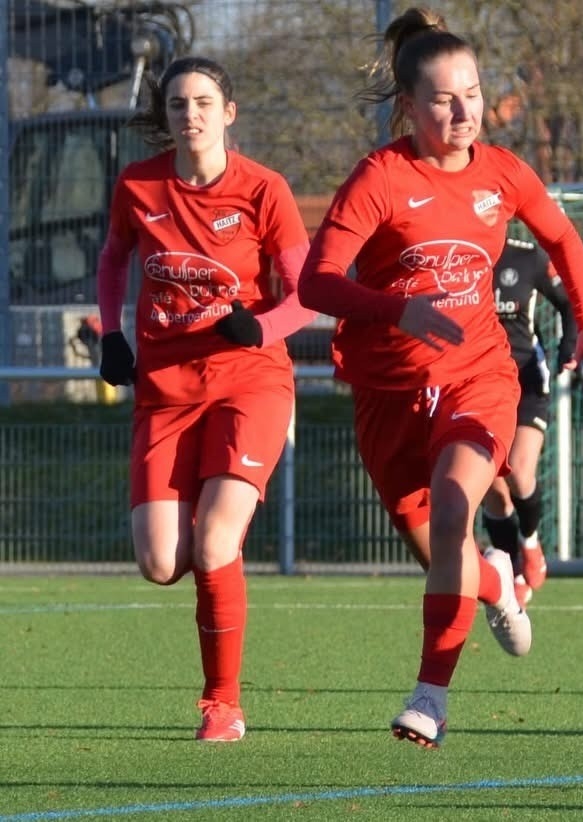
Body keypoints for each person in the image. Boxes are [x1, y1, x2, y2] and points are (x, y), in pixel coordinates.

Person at [297, 7, 583, 749]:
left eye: (472, 94)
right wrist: (396, 309)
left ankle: (430, 699)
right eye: (443, 99)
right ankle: (498, 583)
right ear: (409, 107)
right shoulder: (381, 178)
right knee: (450, 554)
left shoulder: (502, 172)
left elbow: (563, 238)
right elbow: (317, 283)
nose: (462, 112)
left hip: (479, 376)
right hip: (388, 396)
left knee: (454, 508)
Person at [96, 56, 317, 742]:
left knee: (216, 540)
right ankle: (216, 575)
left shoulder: (264, 188)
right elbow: (113, 258)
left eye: (202, 102)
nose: (189, 114)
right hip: (164, 392)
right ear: (165, 116)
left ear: (228, 112)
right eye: (177, 104)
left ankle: (223, 705)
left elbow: (308, 294)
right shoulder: (137, 185)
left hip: (249, 381)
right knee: (162, 562)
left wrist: (262, 328)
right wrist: (111, 334)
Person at [481, 236, 578, 606]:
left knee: (519, 472)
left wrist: (569, 346)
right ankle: (512, 572)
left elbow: (569, 303)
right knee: (491, 486)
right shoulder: (459, 257)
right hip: (477, 385)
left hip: (526, 380)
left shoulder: (527, 257)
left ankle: (531, 543)